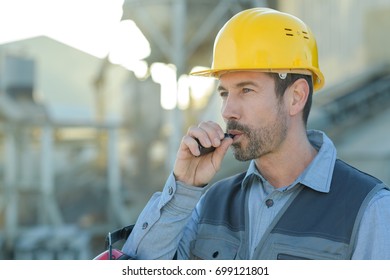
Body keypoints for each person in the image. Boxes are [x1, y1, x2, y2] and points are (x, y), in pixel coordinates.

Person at [121, 7, 390, 260]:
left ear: (296, 97)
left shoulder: (368, 209)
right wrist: (183, 188)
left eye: (246, 90)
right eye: (224, 93)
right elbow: (138, 268)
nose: (227, 111)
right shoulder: (211, 203)